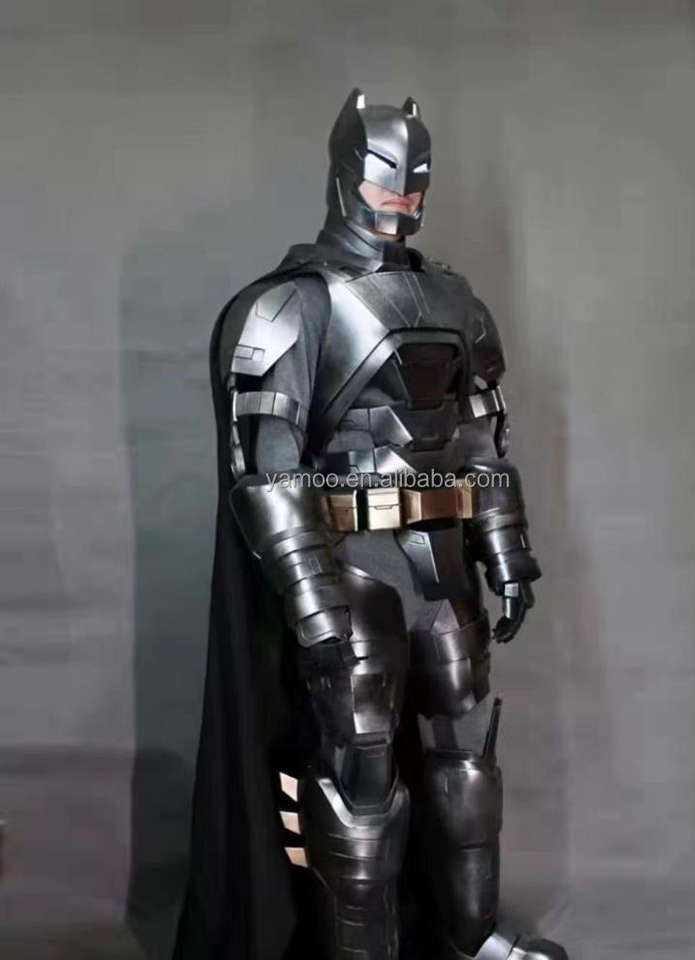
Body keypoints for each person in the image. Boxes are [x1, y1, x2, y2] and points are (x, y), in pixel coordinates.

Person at [173, 88, 568, 960]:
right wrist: (309, 594)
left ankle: (466, 941)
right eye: (386, 184)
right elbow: (266, 468)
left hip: (442, 561)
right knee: (358, 776)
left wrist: (505, 552)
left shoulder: (453, 300)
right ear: (345, 175)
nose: (401, 202)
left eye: (414, 186)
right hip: (350, 563)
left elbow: (479, 440)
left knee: (466, 755)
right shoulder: (291, 305)